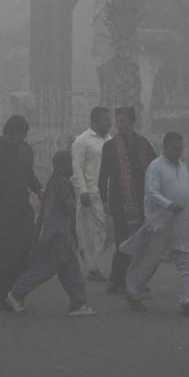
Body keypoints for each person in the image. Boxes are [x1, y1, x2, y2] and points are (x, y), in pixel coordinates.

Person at [121, 132, 189, 317]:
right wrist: (168, 204)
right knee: (149, 262)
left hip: (181, 224)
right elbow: (151, 192)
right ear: (165, 147)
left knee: (185, 261)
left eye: (181, 148)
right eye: (175, 147)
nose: (179, 151)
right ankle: (133, 293)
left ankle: (188, 303)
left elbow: (185, 193)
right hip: (161, 223)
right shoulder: (156, 166)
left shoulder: (182, 167)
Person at [5, 151, 97, 316]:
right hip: (57, 234)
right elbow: (67, 207)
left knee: (71, 268)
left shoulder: (56, 182)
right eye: (69, 163)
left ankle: (78, 303)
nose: (72, 167)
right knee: (47, 267)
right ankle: (17, 293)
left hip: (62, 233)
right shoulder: (61, 184)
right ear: (63, 165)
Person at [0, 114, 43, 310]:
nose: (17, 140)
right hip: (0, 211)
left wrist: (40, 190)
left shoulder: (26, 150)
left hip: (21, 209)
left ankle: (14, 293)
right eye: (14, 136)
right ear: (5, 133)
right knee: (1, 255)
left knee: (23, 253)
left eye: (21, 136)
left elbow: (29, 175)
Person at [98, 107, 157, 294]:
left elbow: (155, 170)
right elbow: (103, 176)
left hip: (141, 201)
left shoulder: (144, 144)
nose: (119, 126)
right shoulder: (110, 146)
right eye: (118, 122)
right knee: (123, 242)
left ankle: (130, 279)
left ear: (133, 122)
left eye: (123, 121)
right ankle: (117, 280)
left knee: (139, 242)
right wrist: (104, 200)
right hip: (119, 202)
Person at [71, 106, 112, 282]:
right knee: (94, 230)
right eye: (105, 119)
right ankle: (93, 268)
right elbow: (77, 167)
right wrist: (83, 191)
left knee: (106, 230)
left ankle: (85, 252)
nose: (109, 122)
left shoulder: (110, 140)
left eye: (109, 119)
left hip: (107, 192)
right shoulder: (82, 140)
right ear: (94, 121)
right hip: (91, 191)